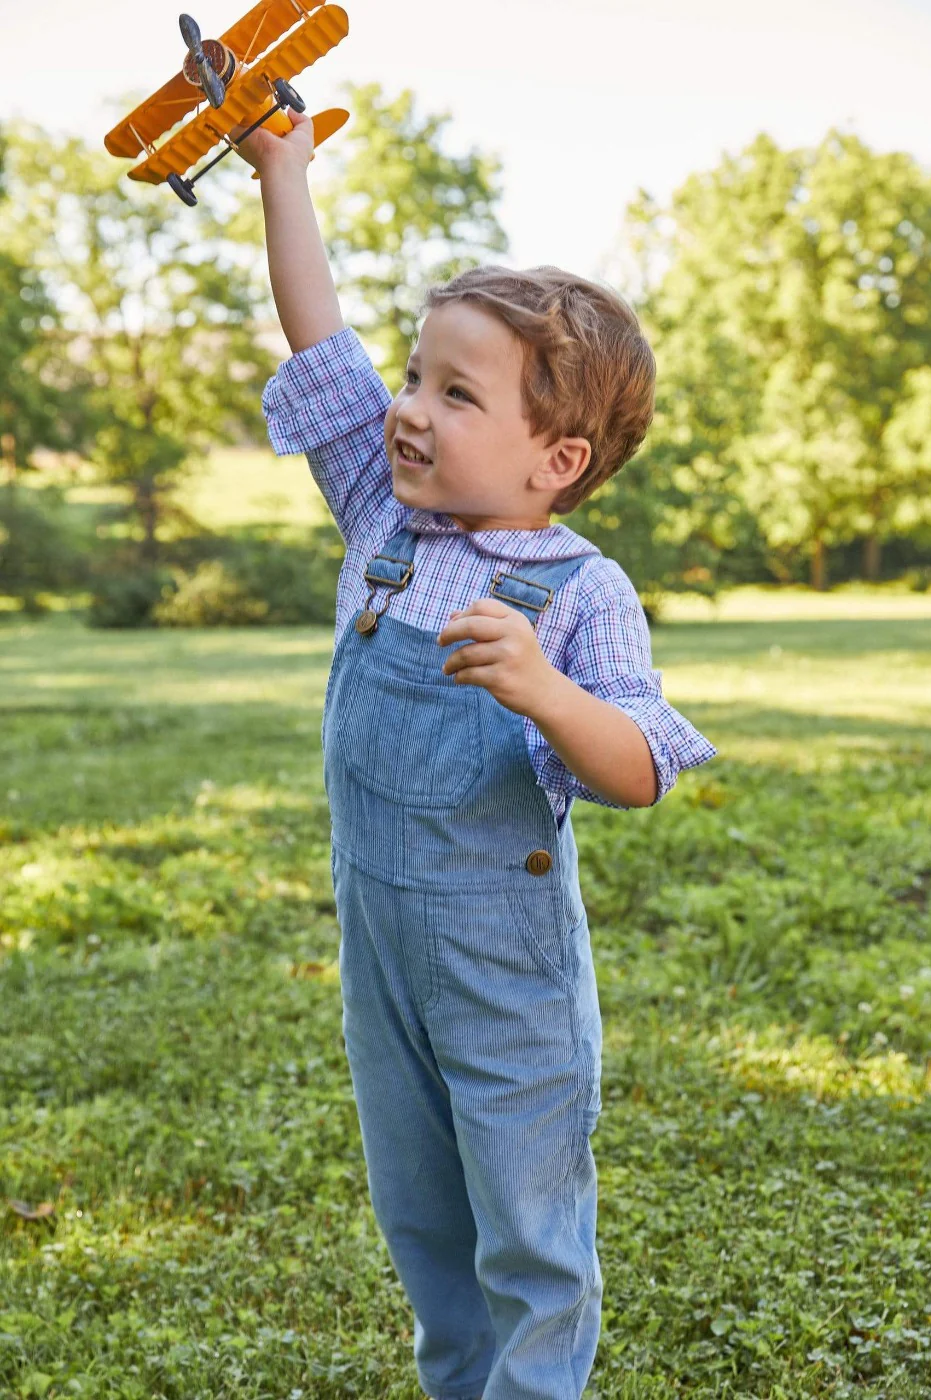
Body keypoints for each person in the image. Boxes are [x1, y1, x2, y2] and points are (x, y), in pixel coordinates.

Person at [236, 106, 716, 1400]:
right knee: (422, 1214)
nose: (407, 409)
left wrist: (544, 690)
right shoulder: (380, 510)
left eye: (455, 394)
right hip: (380, 944)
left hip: (502, 976)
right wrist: (283, 169)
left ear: (554, 461)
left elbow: (640, 768)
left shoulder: (578, 591)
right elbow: (315, 336)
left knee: (525, 1226)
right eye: (414, 375)